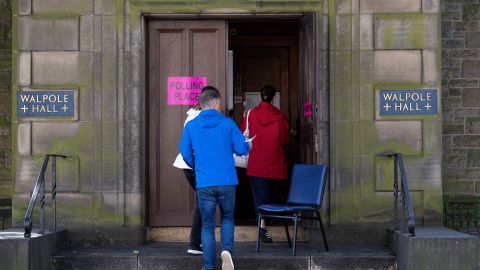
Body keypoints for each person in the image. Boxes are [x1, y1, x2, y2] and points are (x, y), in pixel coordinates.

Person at [179, 86, 252, 270]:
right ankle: (226, 250)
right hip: (227, 181)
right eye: (219, 104)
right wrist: (247, 145)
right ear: (215, 103)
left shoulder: (191, 125)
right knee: (227, 218)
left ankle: (209, 265)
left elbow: (186, 154)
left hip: (205, 182)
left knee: (208, 225)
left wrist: (199, 166)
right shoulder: (227, 123)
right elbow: (241, 149)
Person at [240, 85, 289, 243]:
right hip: (275, 162)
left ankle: (262, 226)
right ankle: (269, 220)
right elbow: (285, 140)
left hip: (257, 162)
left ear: (260, 98)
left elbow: (242, 133)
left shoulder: (251, 114)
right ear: (274, 98)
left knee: (260, 195)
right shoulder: (280, 117)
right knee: (273, 195)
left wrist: (243, 118)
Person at [173, 100, 203, 255]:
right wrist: (195, 164)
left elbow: (185, 146)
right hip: (196, 166)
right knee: (202, 202)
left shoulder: (190, 116)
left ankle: (198, 242)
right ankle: (194, 243)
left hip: (188, 165)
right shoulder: (201, 118)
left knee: (203, 201)